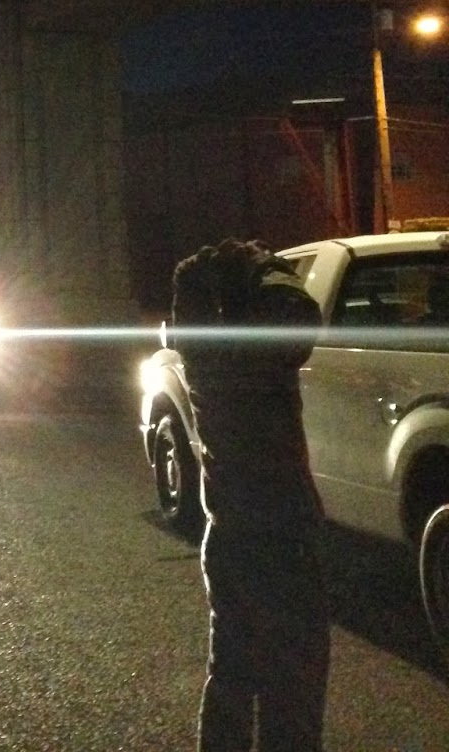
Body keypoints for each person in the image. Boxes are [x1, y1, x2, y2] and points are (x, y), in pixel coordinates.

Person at [170, 238, 329, 752]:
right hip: (281, 538)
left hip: (229, 534)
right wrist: (265, 264)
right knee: (294, 690)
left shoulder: (201, 355)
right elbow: (300, 318)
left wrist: (232, 269)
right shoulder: (256, 360)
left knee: (232, 679)